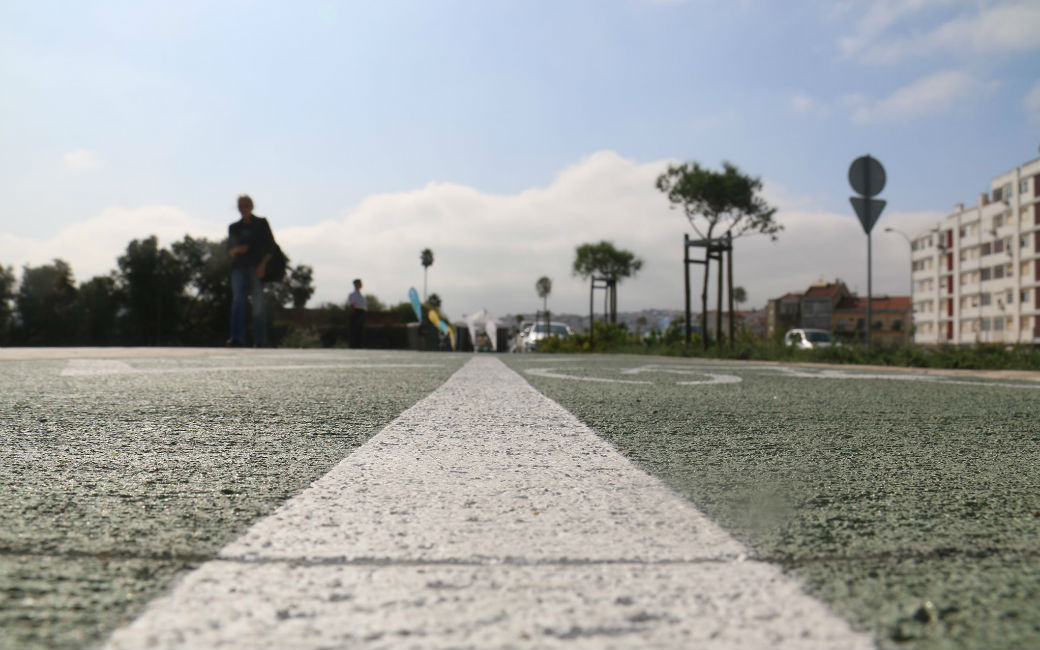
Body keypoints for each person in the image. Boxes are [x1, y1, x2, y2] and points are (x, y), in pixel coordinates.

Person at [227, 194, 274, 347]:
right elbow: (229, 252)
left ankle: (260, 341)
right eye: (241, 206)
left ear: (252, 206)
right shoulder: (234, 227)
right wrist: (237, 249)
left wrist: (263, 265)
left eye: (246, 205)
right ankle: (237, 338)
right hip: (238, 269)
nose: (243, 208)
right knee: (238, 302)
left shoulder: (261, 223)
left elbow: (270, 247)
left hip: (256, 267)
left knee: (258, 304)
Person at [347, 278, 367, 348]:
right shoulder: (353, 294)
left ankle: (359, 345)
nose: (360, 285)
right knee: (354, 330)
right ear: (355, 284)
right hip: (356, 312)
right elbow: (351, 305)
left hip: (362, 312)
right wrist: (353, 314)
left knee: (360, 330)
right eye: (359, 283)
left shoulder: (361, 295)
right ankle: (353, 345)